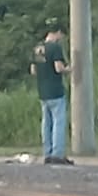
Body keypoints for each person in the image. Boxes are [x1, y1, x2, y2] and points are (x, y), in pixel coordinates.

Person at [30, 23, 72, 164]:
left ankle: (47, 153)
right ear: (58, 32)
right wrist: (69, 69)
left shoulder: (38, 49)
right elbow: (58, 68)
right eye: (61, 35)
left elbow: (33, 71)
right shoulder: (55, 48)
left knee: (46, 123)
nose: (61, 38)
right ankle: (57, 154)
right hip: (55, 91)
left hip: (42, 91)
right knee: (58, 123)